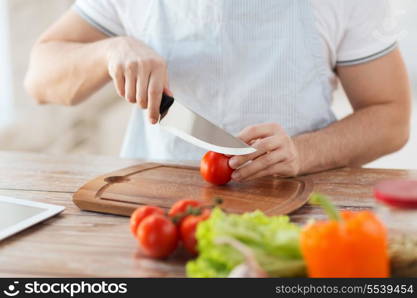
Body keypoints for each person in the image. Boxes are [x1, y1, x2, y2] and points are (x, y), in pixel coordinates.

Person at [25, 0, 411, 181]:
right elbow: (40, 77)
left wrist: (304, 152)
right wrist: (109, 51)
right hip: (151, 207)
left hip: (294, 202)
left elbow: (390, 117)